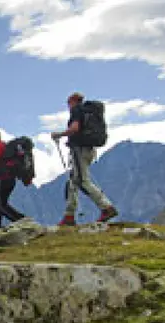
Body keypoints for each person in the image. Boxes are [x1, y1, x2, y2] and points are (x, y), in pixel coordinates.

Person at [51, 92, 118, 226]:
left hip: (80, 151)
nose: (68, 106)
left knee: (82, 181)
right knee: (73, 182)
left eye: (68, 103)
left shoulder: (77, 110)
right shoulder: (90, 113)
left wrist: (59, 134)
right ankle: (69, 216)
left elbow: (74, 128)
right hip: (89, 150)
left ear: (72, 101)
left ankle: (107, 208)